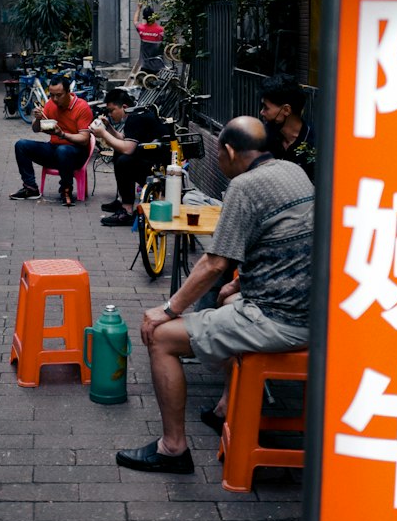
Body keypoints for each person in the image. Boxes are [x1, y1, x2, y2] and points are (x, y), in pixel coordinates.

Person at [116, 115, 313, 474]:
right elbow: (288, 240)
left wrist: (169, 308)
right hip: (310, 312)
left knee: (160, 336)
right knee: (225, 298)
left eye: (217, 155)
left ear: (229, 150)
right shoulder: (292, 171)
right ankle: (226, 407)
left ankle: (172, 448)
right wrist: (239, 284)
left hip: (281, 320)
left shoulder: (246, 185)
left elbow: (213, 264)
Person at [11, 73, 93, 206]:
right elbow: (36, 129)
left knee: (63, 150)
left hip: (76, 153)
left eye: (59, 95)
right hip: (54, 149)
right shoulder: (50, 104)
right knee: (21, 145)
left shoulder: (82, 107)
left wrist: (62, 135)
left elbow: (84, 139)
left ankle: (66, 190)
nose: (54, 99)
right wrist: (37, 118)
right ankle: (30, 187)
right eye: (52, 95)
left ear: (68, 92)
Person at [91, 89, 171, 227]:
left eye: (112, 110)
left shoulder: (135, 117)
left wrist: (103, 134)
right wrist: (109, 128)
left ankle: (126, 211)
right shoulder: (137, 113)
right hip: (152, 160)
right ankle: (122, 200)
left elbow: (128, 149)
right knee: (119, 154)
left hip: (159, 170)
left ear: (124, 107)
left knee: (124, 160)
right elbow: (126, 139)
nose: (110, 114)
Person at [259, 75, 316, 181]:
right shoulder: (264, 136)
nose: (262, 112)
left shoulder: (313, 144)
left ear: (286, 110)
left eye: (266, 108)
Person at [135, 2, 166, 75]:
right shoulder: (161, 30)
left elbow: (135, 21)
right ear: (153, 16)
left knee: (145, 84)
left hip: (145, 67)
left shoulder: (141, 29)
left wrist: (139, 7)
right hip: (159, 66)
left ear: (144, 17)